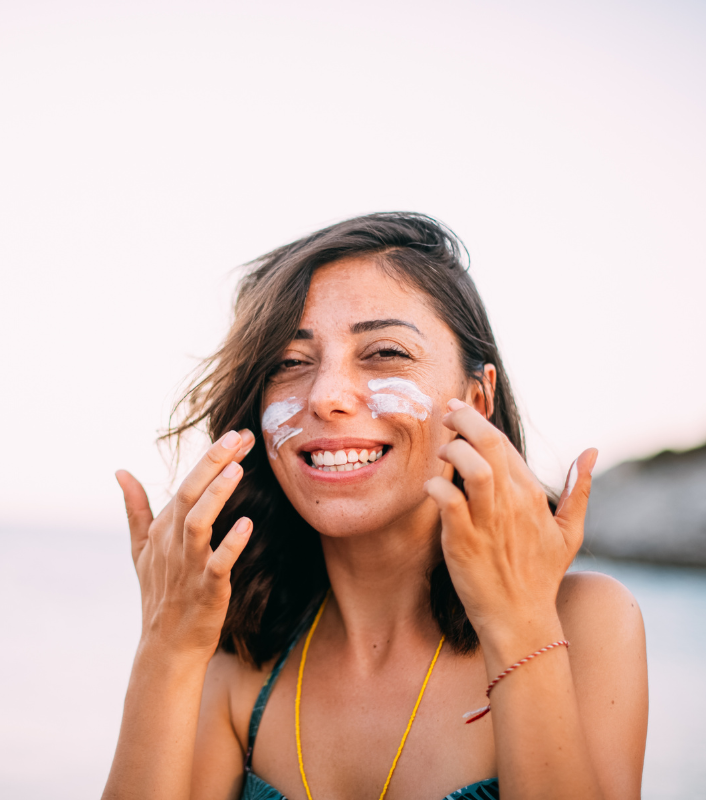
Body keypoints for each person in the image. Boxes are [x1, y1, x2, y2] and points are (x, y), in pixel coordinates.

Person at [104, 213, 648, 800]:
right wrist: (165, 645)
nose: (327, 396)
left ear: (476, 398)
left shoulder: (583, 622)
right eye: (289, 363)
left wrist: (520, 627)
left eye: (384, 352)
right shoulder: (239, 656)